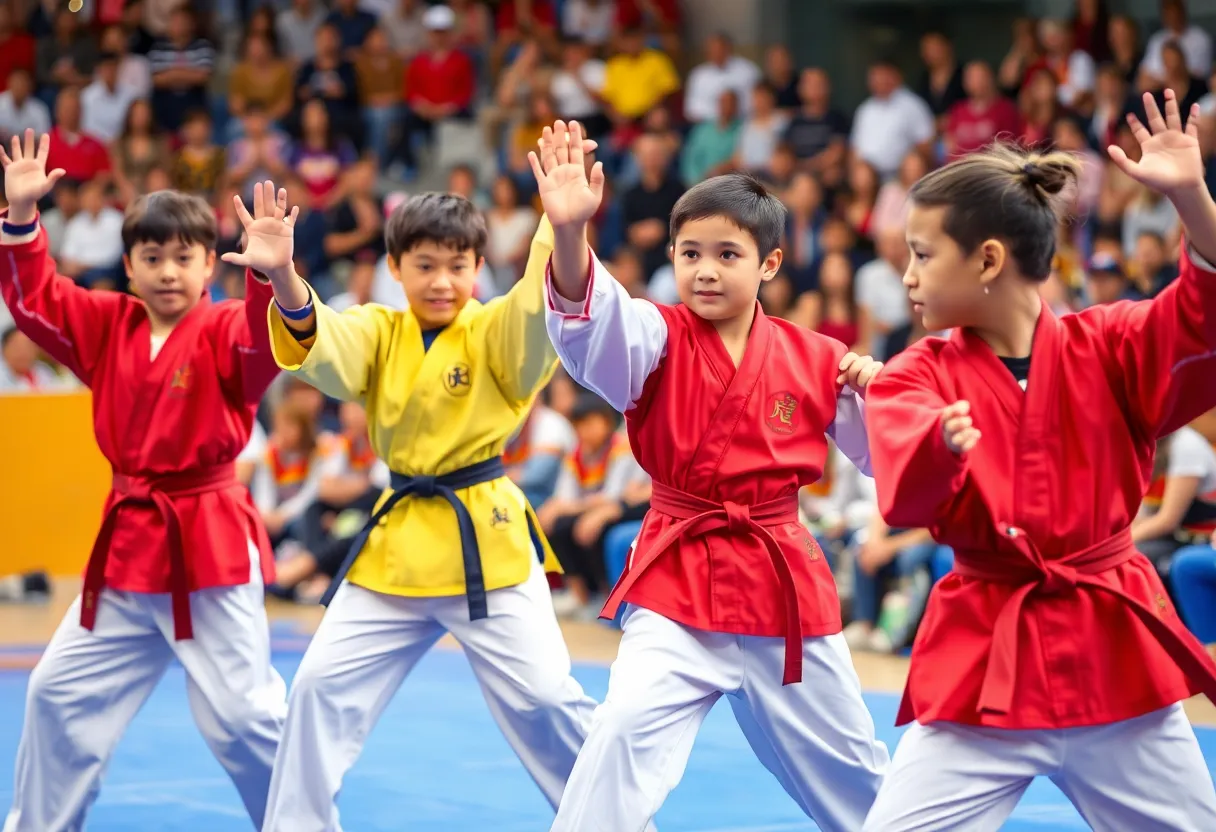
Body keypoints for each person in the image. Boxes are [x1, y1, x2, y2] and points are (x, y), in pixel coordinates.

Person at [862, 89, 1216, 830]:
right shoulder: (912, 374)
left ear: (987, 258)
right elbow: (906, 488)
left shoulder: (1112, 345)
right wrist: (939, 447)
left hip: (1111, 652)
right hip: (986, 660)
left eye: (923, 255)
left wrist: (1190, 200)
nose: (909, 276)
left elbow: (1200, 312)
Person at [252, 149, 631, 830]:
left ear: (478, 269)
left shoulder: (491, 330)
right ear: (394, 269)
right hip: (396, 547)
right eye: (424, 265)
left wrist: (565, 230)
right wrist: (283, 273)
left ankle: (616, 822)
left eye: (458, 266)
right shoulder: (378, 329)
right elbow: (323, 340)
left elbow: (539, 307)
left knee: (547, 700)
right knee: (315, 690)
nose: (441, 281)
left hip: (484, 541)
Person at [535, 119, 889, 832]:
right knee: (619, 737)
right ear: (670, 255)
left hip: (781, 579)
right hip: (679, 577)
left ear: (770, 263)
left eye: (728, 253)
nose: (705, 269)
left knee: (856, 775)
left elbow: (890, 457)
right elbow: (590, 324)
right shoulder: (654, 336)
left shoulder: (819, 357)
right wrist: (572, 235)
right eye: (690, 251)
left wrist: (883, 389)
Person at [0, 128, 293, 831]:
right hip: (131, 550)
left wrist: (269, 278)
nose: (167, 272)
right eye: (152, 257)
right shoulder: (107, 324)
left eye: (183, 258)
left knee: (246, 720)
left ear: (208, 269)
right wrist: (19, 220)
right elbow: (35, 302)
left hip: (210, 552)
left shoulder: (226, 326)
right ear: (127, 265)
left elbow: (266, 347)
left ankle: (301, 823)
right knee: (56, 694)